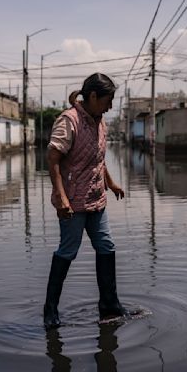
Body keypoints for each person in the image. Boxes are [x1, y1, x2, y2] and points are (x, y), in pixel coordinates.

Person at [43, 72, 128, 330]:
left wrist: (110, 183)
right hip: (73, 202)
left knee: (106, 246)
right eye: (107, 100)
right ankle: (50, 311)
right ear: (92, 97)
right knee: (68, 251)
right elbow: (53, 159)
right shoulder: (69, 121)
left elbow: (98, 160)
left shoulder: (100, 122)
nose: (110, 106)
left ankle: (109, 306)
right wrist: (61, 197)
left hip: (96, 198)